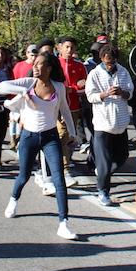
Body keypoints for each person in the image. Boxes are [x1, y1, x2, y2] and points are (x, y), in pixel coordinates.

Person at [0, 52, 79, 240]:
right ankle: (13, 200)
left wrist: (73, 134)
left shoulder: (58, 87)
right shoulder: (28, 83)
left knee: (59, 179)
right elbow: (0, 87)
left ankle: (63, 223)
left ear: (49, 68)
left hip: (50, 137)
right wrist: (22, 92)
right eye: (34, 64)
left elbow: (65, 111)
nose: (34, 67)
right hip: (29, 137)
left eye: (39, 64)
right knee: (24, 175)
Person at [85, 44, 134, 206]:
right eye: (107, 62)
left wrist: (121, 92)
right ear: (101, 59)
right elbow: (90, 96)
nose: (110, 65)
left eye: (112, 62)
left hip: (120, 123)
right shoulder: (95, 74)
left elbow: (130, 93)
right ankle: (103, 191)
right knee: (104, 162)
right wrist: (105, 94)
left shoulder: (123, 72)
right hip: (102, 125)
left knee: (122, 157)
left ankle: (102, 173)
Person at [57, 36, 87, 186]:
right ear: (59, 48)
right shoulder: (55, 65)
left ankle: (63, 162)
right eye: (66, 47)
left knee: (70, 137)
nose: (69, 50)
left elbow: (85, 86)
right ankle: (64, 168)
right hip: (57, 107)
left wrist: (75, 89)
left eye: (72, 48)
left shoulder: (80, 66)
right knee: (62, 135)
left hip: (74, 107)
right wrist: (68, 89)